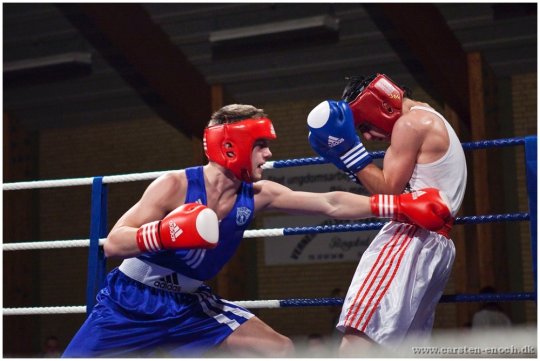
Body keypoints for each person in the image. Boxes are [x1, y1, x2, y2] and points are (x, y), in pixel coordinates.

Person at [62, 103, 454, 357]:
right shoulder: (174, 185)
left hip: (190, 306)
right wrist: (164, 233)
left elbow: (330, 203)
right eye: (261, 145)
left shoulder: (259, 194)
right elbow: (114, 243)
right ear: (232, 145)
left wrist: (398, 204)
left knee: (279, 349)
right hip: (130, 302)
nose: (269, 155)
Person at [307, 73, 467, 355]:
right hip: (437, 245)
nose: (368, 136)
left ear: (382, 106)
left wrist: (350, 152)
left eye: (365, 126)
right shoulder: (428, 116)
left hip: (408, 238)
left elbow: (389, 193)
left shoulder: (409, 124)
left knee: (357, 341)